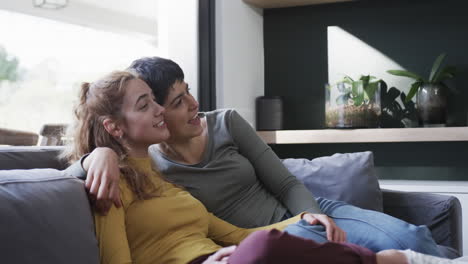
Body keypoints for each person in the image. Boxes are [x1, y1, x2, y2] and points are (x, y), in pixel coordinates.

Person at [67, 57, 441, 256]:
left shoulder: (225, 122)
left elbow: (284, 181)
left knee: (415, 239)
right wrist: (96, 156)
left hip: (302, 213)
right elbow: (75, 168)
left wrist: (311, 218)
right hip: (259, 239)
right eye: (178, 101)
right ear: (157, 113)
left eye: (189, 92)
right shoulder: (154, 167)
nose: (194, 105)